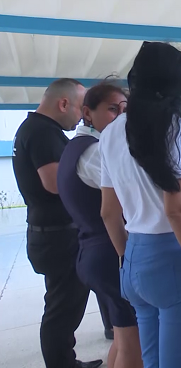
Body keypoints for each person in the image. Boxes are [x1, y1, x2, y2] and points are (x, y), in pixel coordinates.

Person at [99, 42, 181, 368]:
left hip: (133, 257)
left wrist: (128, 258)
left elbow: (108, 212)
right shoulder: (172, 129)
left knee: (151, 362)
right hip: (169, 259)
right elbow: (177, 210)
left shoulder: (110, 134)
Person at [12, 78, 103, 368]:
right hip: (57, 237)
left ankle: (66, 360)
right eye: (80, 108)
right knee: (62, 309)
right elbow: (54, 183)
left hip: (49, 234)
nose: (82, 116)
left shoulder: (34, 129)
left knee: (62, 305)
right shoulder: (42, 132)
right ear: (63, 103)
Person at [56, 81, 143, 368]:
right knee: (134, 344)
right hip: (109, 254)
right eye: (112, 109)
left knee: (122, 337)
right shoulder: (94, 152)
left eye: (125, 110)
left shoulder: (76, 148)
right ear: (87, 113)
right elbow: (119, 206)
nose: (120, 117)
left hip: (93, 253)